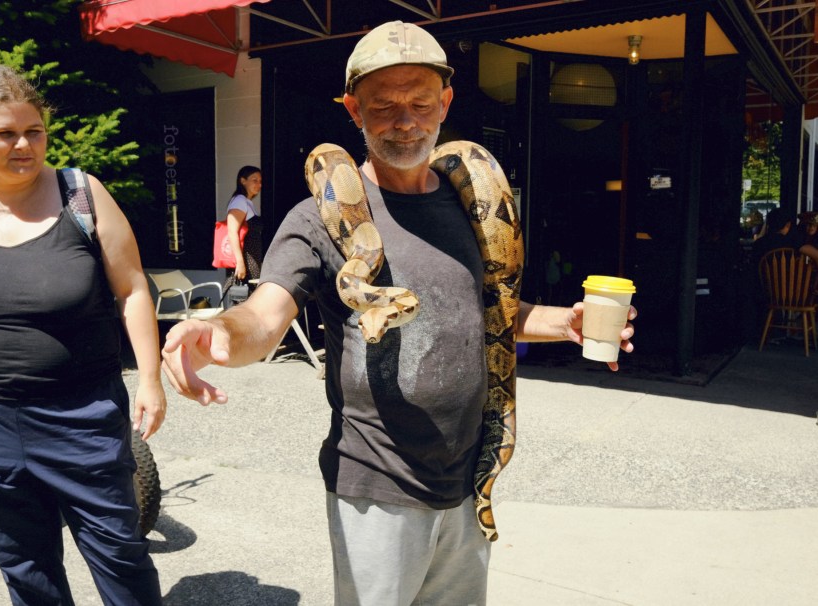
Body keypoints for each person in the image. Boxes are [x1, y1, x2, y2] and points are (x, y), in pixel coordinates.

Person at [161, 21, 636, 606]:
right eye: (382, 106)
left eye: (419, 103)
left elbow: (492, 310)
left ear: (446, 104)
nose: (404, 120)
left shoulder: (471, 204)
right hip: (375, 484)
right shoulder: (316, 219)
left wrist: (566, 323)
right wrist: (216, 330)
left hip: (465, 480)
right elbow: (263, 319)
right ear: (353, 110)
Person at [0, 64, 165, 605]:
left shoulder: (81, 194)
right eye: (5, 133)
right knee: (25, 568)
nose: (24, 144)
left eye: (35, 131)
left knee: (121, 555)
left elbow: (134, 288)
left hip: (83, 416)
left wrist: (150, 378)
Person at [221, 165, 263, 300]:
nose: (259, 184)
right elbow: (232, 232)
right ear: (243, 181)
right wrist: (240, 263)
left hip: (252, 261)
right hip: (245, 262)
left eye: (260, 181)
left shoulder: (247, 202)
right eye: (254, 180)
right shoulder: (239, 200)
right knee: (242, 302)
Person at [753, 206, 818, 264]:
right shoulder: (794, 241)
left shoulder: (759, 243)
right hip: (793, 277)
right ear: (788, 224)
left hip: (766, 277)